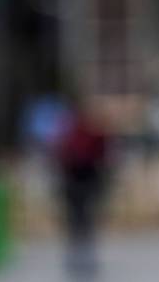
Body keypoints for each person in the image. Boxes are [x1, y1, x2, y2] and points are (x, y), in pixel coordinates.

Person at [53, 101, 109, 279]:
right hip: (76, 181)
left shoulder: (86, 134)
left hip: (85, 180)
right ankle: (78, 257)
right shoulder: (71, 135)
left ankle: (83, 257)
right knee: (78, 221)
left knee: (83, 220)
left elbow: (103, 156)